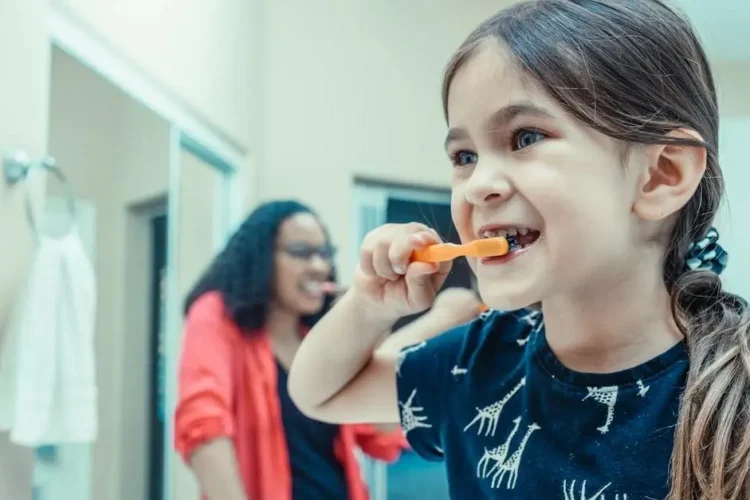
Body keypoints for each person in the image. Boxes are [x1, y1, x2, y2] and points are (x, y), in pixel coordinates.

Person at [288, 1, 748, 498]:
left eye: (525, 137)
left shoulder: (733, 392)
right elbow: (320, 393)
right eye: (464, 156)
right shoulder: (480, 362)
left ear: (662, 175)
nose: (476, 185)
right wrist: (369, 305)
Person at [174, 200, 406, 500]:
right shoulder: (216, 315)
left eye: (324, 254)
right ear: (259, 258)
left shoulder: (314, 339)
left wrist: (372, 321)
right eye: (301, 253)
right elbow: (203, 425)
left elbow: (381, 437)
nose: (319, 267)